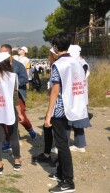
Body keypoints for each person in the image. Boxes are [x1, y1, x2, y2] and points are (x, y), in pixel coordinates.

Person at [45, 33, 88, 193]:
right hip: (73, 105)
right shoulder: (76, 62)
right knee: (63, 140)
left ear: (56, 48)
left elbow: (55, 90)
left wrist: (49, 114)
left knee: (62, 145)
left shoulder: (58, 64)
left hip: (60, 108)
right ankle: (60, 173)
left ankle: (68, 182)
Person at [0, 44, 37, 148]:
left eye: (1, 52)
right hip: (5, 95)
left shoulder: (19, 65)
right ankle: (8, 141)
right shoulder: (0, 65)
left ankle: (30, 129)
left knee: (21, 116)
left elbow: (25, 79)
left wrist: (13, 84)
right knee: (6, 117)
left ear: (8, 52)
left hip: (18, 94)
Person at [32, 47, 58, 166]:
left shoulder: (56, 66)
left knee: (49, 128)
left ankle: (49, 155)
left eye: (49, 54)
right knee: (50, 129)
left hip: (57, 104)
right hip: (58, 102)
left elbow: (56, 89)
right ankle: (49, 153)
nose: (48, 57)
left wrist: (49, 113)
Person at [67, 44, 91, 153]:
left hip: (76, 96)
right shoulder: (81, 63)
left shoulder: (80, 64)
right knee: (77, 122)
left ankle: (63, 145)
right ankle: (80, 144)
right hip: (79, 96)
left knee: (69, 121)